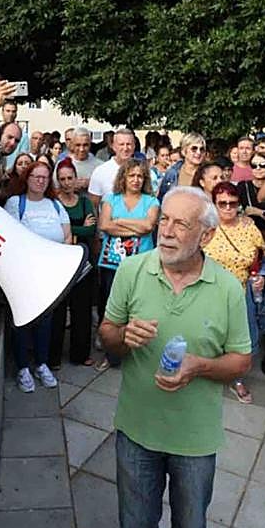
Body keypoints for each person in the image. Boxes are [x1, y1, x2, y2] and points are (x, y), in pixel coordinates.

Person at [97, 188, 252, 528]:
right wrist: (122, 337)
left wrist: (201, 366)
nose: (166, 231)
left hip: (195, 441)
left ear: (207, 235)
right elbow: (106, 334)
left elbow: (241, 361)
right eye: (164, 219)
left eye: (181, 224)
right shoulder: (132, 269)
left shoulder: (228, 287)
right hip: (136, 432)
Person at [4, 159, 70, 392]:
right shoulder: (15, 203)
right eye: (36, 176)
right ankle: (23, 367)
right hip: (24, 274)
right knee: (22, 321)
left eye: (44, 177)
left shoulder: (55, 205)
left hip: (50, 273)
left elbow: (67, 235)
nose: (40, 181)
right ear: (27, 178)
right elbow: (11, 237)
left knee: (46, 322)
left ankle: (41, 364)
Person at [95, 159, 161, 371]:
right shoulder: (110, 199)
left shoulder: (151, 202)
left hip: (142, 263)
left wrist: (120, 221)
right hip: (111, 264)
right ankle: (111, 354)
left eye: (140, 176)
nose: (135, 180)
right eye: (131, 175)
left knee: (139, 309)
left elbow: (149, 226)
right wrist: (135, 226)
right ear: (123, 177)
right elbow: (105, 225)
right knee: (110, 310)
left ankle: (136, 355)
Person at [204, 181, 265, 403]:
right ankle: (204, 372)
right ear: (214, 204)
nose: (228, 208)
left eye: (233, 203)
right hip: (208, 292)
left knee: (239, 339)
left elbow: (262, 258)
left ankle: (236, 379)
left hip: (241, 293)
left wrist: (261, 278)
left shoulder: (249, 227)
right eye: (223, 204)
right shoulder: (205, 228)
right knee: (208, 335)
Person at [52, 159, 98, 366]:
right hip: (60, 261)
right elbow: (55, 231)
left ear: (76, 179)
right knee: (59, 309)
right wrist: (76, 228)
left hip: (82, 261)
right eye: (62, 179)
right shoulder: (53, 203)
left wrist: (69, 229)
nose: (67, 182)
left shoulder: (85, 201)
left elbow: (91, 229)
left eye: (70, 178)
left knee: (82, 309)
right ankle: (54, 356)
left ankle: (80, 354)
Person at [88, 127, 138, 210]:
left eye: (128, 144)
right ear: (113, 146)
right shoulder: (100, 172)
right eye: (121, 144)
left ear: (134, 146)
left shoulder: (143, 170)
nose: (125, 148)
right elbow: (94, 205)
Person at [156, 132, 206, 201]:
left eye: (201, 149)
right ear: (184, 151)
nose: (198, 152)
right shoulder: (172, 172)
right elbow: (162, 199)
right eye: (194, 149)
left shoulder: (207, 173)